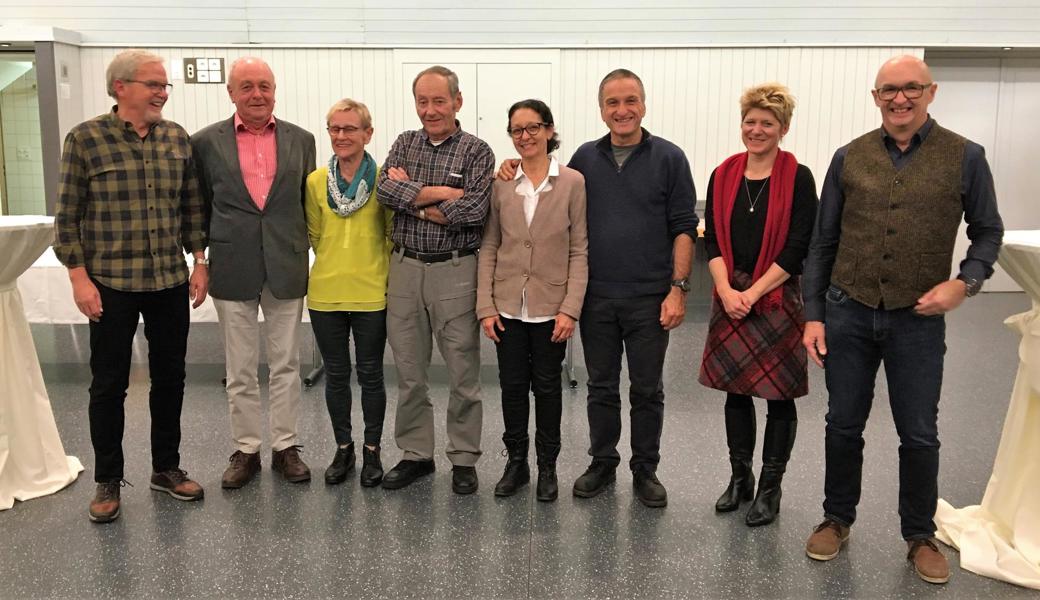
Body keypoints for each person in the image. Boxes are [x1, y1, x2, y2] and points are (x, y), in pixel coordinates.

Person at [801, 55, 1003, 584]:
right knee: (843, 423)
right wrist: (814, 315)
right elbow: (823, 243)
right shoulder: (849, 157)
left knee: (919, 433)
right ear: (875, 97)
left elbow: (988, 232)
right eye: (889, 90)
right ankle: (836, 518)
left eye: (911, 88)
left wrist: (966, 283)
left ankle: (918, 534)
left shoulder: (966, 156)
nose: (900, 98)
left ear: (930, 92)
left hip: (917, 321)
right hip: (848, 312)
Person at [500, 69, 698, 507]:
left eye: (630, 101)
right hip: (598, 297)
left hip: (650, 297)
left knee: (647, 388)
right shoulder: (586, 160)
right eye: (612, 102)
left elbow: (685, 226)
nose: (622, 110)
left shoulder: (670, 158)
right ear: (601, 109)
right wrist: (512, 165)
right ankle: (603, 462)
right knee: (601, 385)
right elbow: (547, 185)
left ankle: (645, 469)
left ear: (643, 105)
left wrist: (678, 288)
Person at [54, 49, 208, 523]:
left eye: (165, 86)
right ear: (120, 87)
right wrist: (79, 278)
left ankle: (166, 468)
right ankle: (107, 479)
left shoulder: (177, 138)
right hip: (110, 282)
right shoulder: (85, 139)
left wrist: (199, 260)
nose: (163, 92)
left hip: (167, 281)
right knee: (109, 384)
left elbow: (192, 207)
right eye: (153, 84)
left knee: (170, 379)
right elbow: (68, 217)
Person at [192, 57, 317, 488]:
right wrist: (200, 261)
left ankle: (285, 446)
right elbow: (199, 207)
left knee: (287, 362)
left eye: (264, 85)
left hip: (286, 262)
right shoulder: (205, 142)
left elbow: (308, 203)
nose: (257, 95)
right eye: (246, 87)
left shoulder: (303, 140)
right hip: (231, 264)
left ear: (275, 90)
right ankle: (246, 449)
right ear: (230, 93)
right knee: (240, 367)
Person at [698, 83, 818, 526]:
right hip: (730, 293)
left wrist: (752, 293)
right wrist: (728, 290)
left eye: (767, 123)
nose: (756, 129)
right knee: (736, 392)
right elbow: (709, 238)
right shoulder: (723, 173)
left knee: (779, 397)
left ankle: (770, 489)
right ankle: (740, 479)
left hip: (776, 298)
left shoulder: (798, 176)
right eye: (750, 121)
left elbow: (798, 247)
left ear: (783, 128)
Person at [376, 65, 495, 494]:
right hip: (405, 270)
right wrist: (444, 193)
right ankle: (416, 455)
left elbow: (474, 213)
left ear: (457, 102)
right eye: (422, 101)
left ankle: (464, 458)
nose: (430, 110)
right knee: (409, 371)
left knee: (463, 372)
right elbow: (384, 192)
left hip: (456, 271)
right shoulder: (404, 143)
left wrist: (413, 196)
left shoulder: (477, 152)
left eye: (438, 100)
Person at [477, 99, 588, 502]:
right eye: (517, 130)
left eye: (533, 127)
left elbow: (580, 249)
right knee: (511, 387)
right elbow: (489, 244)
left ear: (549, 130)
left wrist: (570, 308)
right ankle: (516, 463)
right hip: (507, 305)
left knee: (547, 387)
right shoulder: (502, 182)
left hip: (550, 308)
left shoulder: (573, 182)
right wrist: (485, 306)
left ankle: (548, 466)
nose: (525, 136)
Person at [305, 98, 392, 487]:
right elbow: (314, 233)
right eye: (334, 129)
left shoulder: (386, 180)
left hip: (372, 292)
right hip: (326, 293)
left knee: (371, 375)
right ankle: (344, 448)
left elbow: (390, 234)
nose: (341, 136)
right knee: (336, 376)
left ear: (367, 134)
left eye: (350, 129)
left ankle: (372, 450)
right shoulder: (314, 181)